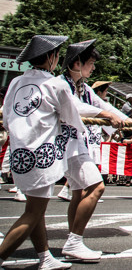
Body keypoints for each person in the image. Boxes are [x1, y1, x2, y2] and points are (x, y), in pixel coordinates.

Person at [0, 35, 85, 270]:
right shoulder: (54, 83)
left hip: (20, 152)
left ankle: (45, 257)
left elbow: (7, 117)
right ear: (50, 57)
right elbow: (71, 117)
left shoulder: (16, 82)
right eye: (57, 54)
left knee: (35, 208)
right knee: (33, 212)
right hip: (42, 154)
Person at [57, 40, 127, 261]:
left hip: (76, 144)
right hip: (68, 144)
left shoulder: (83, 88)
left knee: (78, 193)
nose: (94, 68)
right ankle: (74, 241)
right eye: (90, 63)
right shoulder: (61, 84)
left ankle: (73, 240)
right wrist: (108, 116)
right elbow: (74, 108)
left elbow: (104, 106)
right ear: (76, 63)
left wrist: (130, 122)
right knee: (97, 188)